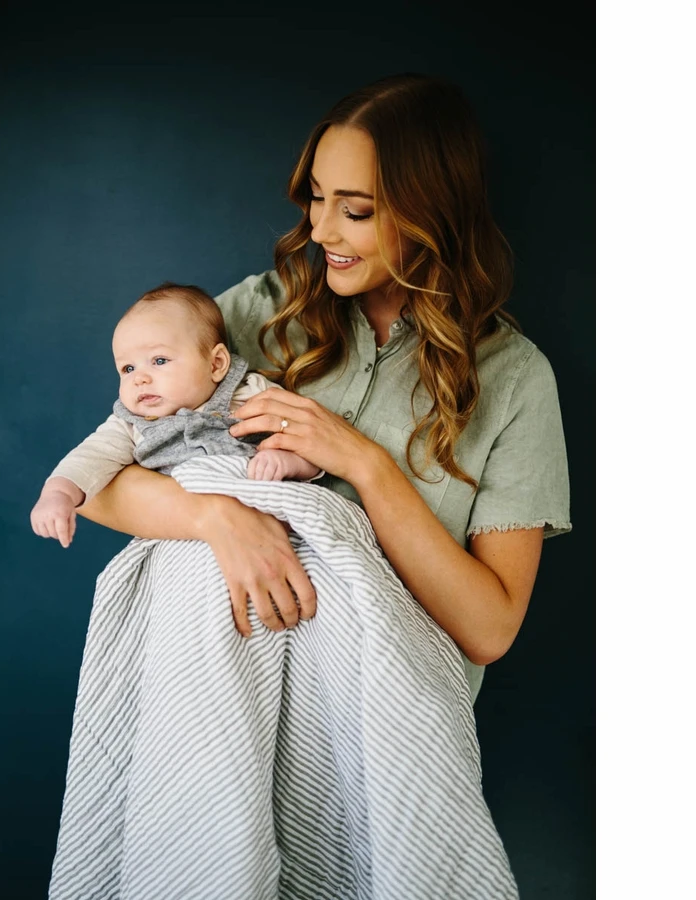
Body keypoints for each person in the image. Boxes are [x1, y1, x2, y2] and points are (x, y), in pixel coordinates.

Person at [48, 73, 572, 898]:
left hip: (373, 735)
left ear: (432, 211)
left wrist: (363, 462)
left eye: (354, 209)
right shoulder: (254, 315)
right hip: (218, 708)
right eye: (317, 199)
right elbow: (107, 478)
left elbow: (490, 628)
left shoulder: (514, 379)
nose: (321, 230)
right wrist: (219, 519)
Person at [30, 281, 321, 549]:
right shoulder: (131, 425)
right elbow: (90, 459)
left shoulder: (250, 393)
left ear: (216, 364)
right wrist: (58, 493)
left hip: (274, 526)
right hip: (186, 539)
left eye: (159, 360)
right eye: (128, 368)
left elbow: (312, 445)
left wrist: (287, 461)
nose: (139, 378)